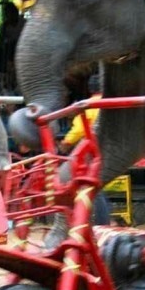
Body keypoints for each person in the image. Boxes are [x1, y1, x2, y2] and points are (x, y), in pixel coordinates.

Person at [59, 74, 111, 225]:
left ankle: (101, 222)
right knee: (99, 186)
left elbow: (79, 129)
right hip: (111, 148)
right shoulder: (109, 103)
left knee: (94, 187)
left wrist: (66, 142)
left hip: (93, 152)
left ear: (90, 89)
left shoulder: (88, 105)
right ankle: (102, 220)